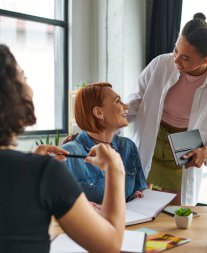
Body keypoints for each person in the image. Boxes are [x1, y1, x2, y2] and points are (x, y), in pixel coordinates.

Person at [0, 44, 125, 252]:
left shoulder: (38, 172)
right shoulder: (44, 172)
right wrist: (116, 168)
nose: (30, 87)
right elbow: (110, 245)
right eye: (24, 78)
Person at [126, 13, 207, 205]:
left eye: (185, 58)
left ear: (206, 60)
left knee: (175, 215)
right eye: (175, 51)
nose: (176, 61)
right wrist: (102, 127)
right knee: (138, 207)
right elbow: (134, 102)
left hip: (184, 149)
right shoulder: (160, 63)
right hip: (152, 136)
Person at [62, 82, 147, 204]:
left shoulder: (128, 147)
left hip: (128, 222)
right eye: (118, 101)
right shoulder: (69, 154)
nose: (125, 106)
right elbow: (57, 202)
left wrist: (136, 197)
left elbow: (139, 190)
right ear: (99, 113)